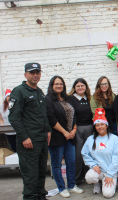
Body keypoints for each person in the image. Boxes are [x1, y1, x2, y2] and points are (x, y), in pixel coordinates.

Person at [8, 63, 51, 200]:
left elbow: (43, 114)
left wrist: (48, 130)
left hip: (42, 139)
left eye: (37, 72)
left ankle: (40, 195)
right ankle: (30, 197)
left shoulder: (39, 91)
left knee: (40, 171)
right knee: (30, 174)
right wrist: (23, 137)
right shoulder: (19, 91)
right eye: (32, 72)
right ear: (25, 74)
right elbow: (14, 117)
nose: (35, 75)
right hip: (29, 141)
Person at [46, 76, 83, 198]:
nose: (59, 86)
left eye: (61, 84)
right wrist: (65, 132)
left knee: (71, 162)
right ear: (52, 85)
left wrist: (74, 130)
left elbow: (75, 116)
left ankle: (71, 186)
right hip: (57, 137)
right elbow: (51, 118)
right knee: (56, 164)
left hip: (70, 136)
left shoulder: (68, 98)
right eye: (56, 84)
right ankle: (61, 187)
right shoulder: (49, 99)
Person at [82, 108, 118, 198]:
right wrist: (93, 165)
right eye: (97, 125)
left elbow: (117, 158)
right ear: (95, 127)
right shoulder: (91, 139)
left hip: (110, 171)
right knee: (89, 177)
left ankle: (113, 182)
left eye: (102, 124)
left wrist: (110, 175)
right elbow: (85, 153)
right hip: (98, 170)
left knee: (108, 194)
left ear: (107, 125)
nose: (100, 127)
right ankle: (97, 183)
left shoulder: (114, 139)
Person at [68, 78, 93, 185]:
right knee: (78, 154)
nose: (80, 88)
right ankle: (77, 178)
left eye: (82, 85)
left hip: (90, 128)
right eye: (78, 86)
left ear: (86, 87)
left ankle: (88, 176)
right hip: (77, 129)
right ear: (74, 88)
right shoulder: (70, 98)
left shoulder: (90, 98)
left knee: (89, 153)